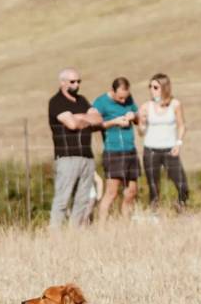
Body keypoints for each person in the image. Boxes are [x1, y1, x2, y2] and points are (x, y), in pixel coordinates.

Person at [48, 68, 103, 227]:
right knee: (62, 199)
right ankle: (55, 235)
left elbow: (98, 119)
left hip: (87, 156)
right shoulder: (56, 102)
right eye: (73, 81)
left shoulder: (82, 100)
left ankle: (75, 234)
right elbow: (71, 124)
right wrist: (87, 119)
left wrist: (79, 118)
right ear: (62, 82)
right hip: (67, 156)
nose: (76, 84)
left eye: (79, 81)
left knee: (83, 200)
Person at [138, 73, 189, 210]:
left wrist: (178, 143)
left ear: (164, 88)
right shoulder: (146, 106)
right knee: (154, 188)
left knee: (182, 185)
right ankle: (154, 215)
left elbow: (182, 125)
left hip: (170, 150)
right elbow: (141, 132)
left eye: (155, 87)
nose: (152, 90)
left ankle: (180, 208)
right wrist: (141, 123)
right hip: (151, 151)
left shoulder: (175, 104)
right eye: (150, 87)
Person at [94, 77, 140, 220]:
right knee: (112, 192)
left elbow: (139, 119)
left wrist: (134, 116)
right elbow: (94, 124)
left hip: (130, 150)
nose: (123, 101)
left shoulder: (129, 99)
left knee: (131, 192)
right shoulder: (100, 102)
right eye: (120, 98)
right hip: (113, 151)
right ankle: (101, 227)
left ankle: (125, 224)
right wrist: (114, 122)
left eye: (125, 98)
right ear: (113, 91)